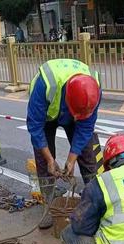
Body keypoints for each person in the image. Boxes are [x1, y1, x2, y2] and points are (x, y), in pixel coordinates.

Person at [27, 58, 102, 228]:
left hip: (78, 105)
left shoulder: (94, 90)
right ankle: (48, 206)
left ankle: (95, 207)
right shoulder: (45, 86)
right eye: (75, 114)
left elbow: (85, 128)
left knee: (88, 157)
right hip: (46, 115)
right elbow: (35, 127)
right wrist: (50, 159)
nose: (75, 118)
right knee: (43, 161)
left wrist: (72, 158)